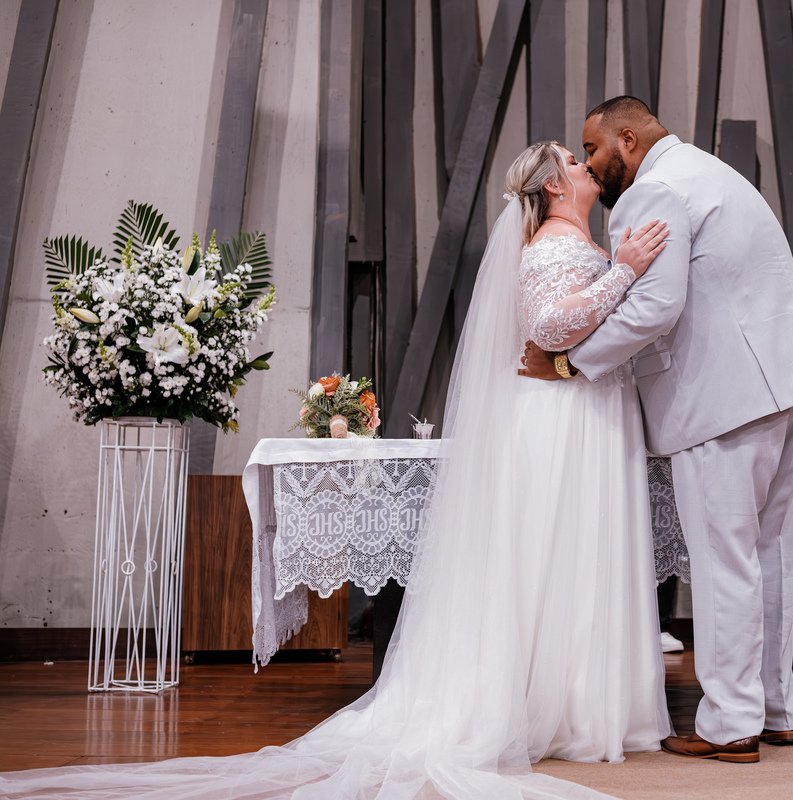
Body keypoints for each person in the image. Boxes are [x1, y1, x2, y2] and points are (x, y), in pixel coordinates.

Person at [0, 142, 672, 799]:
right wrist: (627, 271)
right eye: (578, 163)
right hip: (557, 423)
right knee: (553, 556)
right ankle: (561, 706)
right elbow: (553, 328)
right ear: (555, 186)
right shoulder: (555, 245)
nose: (589, 169)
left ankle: (573, 701)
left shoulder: (568, 242)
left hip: (572, 416)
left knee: (568, 558)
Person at [522, 97, 793, 763]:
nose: (591, 163)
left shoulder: (655, 191)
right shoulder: (710, 172)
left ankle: (731, 724)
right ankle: (776, 708)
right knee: (773, 559)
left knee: (725, 561)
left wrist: (570, 364)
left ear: (628, 138)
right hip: (788, 380)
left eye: (594, 149)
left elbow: (656, 305)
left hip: (724, 397)